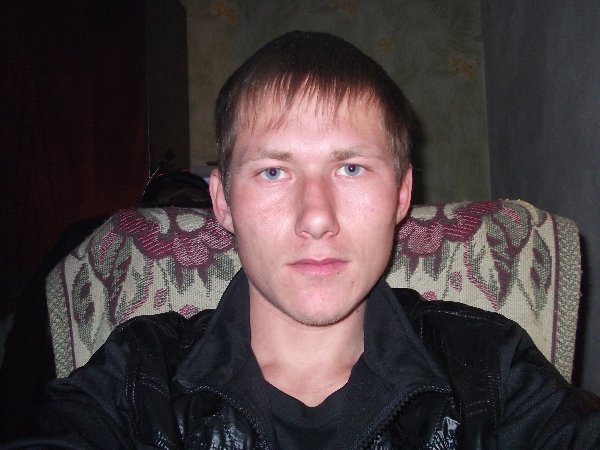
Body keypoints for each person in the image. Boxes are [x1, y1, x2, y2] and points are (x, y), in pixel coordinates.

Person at [5, 31, 600, 449]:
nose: (316, 218)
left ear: (401, 195)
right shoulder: (139, 377)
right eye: (273, 171)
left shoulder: (489, 370)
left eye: (351, 168)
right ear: (223, 202)